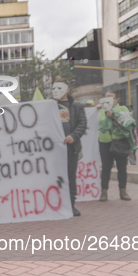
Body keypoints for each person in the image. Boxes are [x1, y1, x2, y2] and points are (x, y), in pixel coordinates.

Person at [51, 77, 87, 216]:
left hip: (71, 148)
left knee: (70, 177)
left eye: (59, 88)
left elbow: (82, 124)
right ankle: (55, 204)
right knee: (55, 177)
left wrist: (73, 136)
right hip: (53, 150)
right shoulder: (48, 105)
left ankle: (71, 205)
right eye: (53, 88)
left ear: (67, 90)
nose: (56, 91)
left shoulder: (77, 106)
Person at [98, 92, 136, 202]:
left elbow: (128, 120)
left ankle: (123, 190)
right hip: (105, 142)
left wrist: (114, 115)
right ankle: (104, 191)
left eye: (111, 98)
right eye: (106, 98)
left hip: (120, 141)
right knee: (106, 167)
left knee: (122, 167)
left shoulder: (123, 108)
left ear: (116, 100)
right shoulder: (100, 110)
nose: (108, 100)